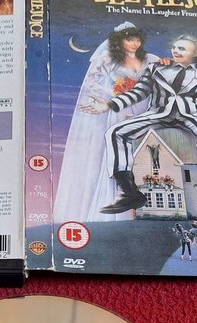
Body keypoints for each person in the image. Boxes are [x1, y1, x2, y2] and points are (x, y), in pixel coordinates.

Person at [84, 34, 197, 219]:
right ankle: (128, 191)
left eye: (182, 48)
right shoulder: (156, 69)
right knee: (115, 132)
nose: (176, 51)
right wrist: (109, 104)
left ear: (195, 53)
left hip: (193, 115)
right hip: (158, 113)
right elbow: (138, 93)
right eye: (175, 47)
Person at [52, 23, 159, 223]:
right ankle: (118, 202)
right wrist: (114, 94)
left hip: (143, 108)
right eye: (129, 39)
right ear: (119, 40)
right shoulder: (107, 59)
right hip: (119, 110)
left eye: (137, 39)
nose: (134, 43)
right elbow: (91, 83)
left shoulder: (150, 59)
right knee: (117, 152)